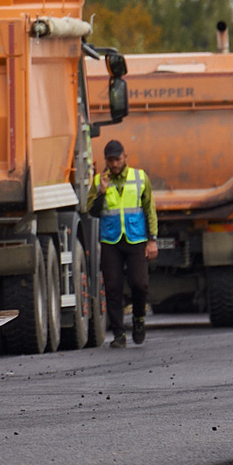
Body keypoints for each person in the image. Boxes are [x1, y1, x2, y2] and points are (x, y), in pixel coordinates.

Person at [93, 139, 156, 345]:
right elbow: (92, 212)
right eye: (110, 160)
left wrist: (152, 239)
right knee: (113, 286)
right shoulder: (98, 181)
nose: (114, 164)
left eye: (118, 159)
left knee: (139, 283)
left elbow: (149, 209)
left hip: (136, 238)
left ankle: (138, 318)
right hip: (111, 241)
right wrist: (101, 193)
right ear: (106, 160)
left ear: (125, 158)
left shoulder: (139, 177)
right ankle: (119, 334)